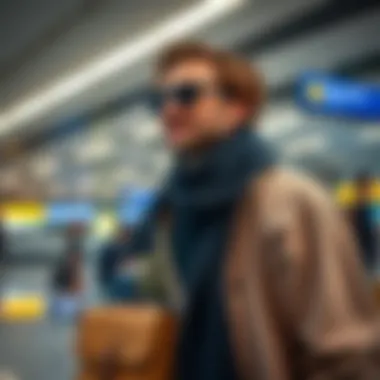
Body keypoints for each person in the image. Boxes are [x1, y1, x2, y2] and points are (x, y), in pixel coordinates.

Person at [123, 42, 380, 380]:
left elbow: (345, 355)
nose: (169, 109)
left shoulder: (290, 202)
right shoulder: (168, 209)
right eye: (159, 99)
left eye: (187, 94)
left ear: (237, 108)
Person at [350, 174, 378, 275]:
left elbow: (375, 224)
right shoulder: (354, 205)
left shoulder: (373, 204)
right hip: (359, 238)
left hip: (370, 238)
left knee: (370, 266)